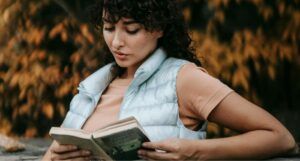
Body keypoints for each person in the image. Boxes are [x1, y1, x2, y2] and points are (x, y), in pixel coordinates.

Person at [42, 0, 297, 160]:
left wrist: (196, 152)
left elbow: (280, 137)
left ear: (159, 28)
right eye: (109, 28)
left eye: (131, 30)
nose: (116, 42)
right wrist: (52, 157)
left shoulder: (183, 78)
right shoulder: (91, 88)